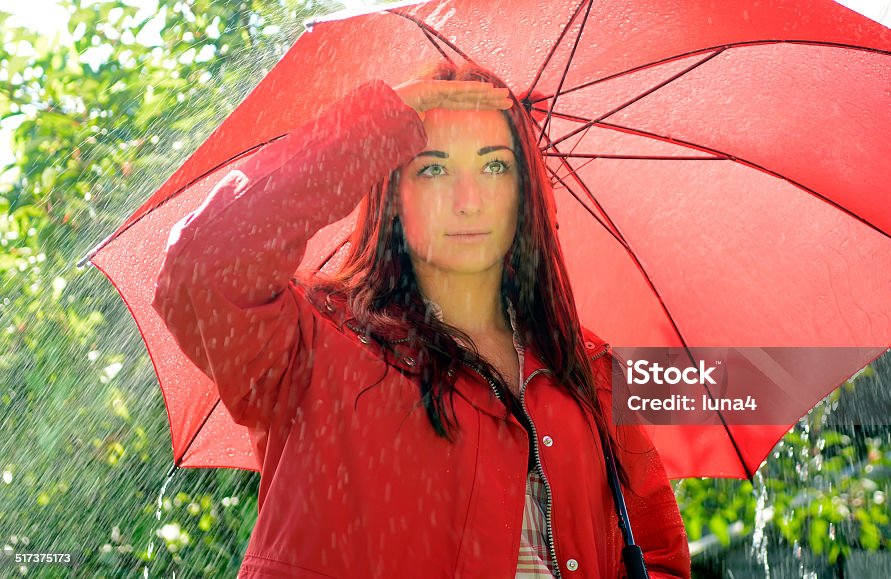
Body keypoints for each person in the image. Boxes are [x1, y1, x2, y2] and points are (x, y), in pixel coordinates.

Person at [152, 60, 690, 578]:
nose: (468, 199)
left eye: (495, 165)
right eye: (433, 168)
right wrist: (373, 127)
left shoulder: (590, 370)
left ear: (524, 191)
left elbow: (659, 556)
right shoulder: (317, 344)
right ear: (392, 192)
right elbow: (203, 264)